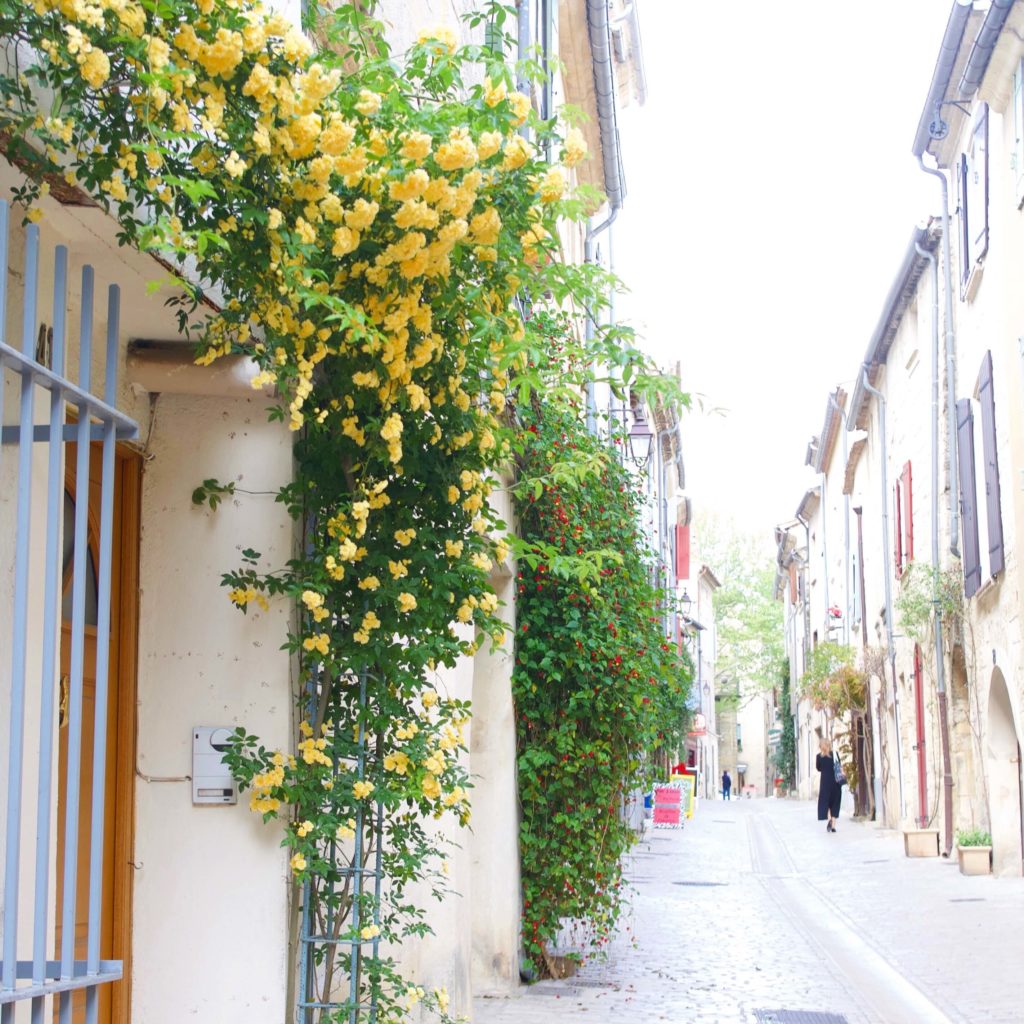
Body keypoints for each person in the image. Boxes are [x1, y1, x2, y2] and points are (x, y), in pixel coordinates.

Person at [816, 737, 842, 832]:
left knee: (826, 802)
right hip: (835, 782)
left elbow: (818, 768)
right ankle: (834, 826)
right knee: (835, 803)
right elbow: (839, 766)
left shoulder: (819, 757)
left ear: (821, 746)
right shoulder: (835, 754)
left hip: (825, 784)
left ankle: (829, 818)